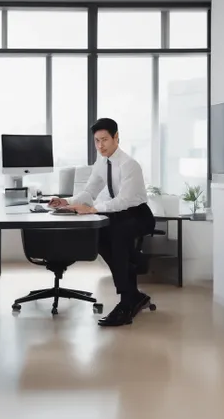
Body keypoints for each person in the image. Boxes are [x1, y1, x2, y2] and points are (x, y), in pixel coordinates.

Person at [49, 118, 155, 327]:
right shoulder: (101, 162)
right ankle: (135, 286)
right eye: (96, 141)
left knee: (118, 237)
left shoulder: (129, 165)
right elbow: (90, 191)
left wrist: (92, 209)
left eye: (105, 140)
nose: (100, 146)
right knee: (99, 235)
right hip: (118, 213)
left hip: (139, 215)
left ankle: (126, 302)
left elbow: (124, 200)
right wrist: (66, 202)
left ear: (116, 137)